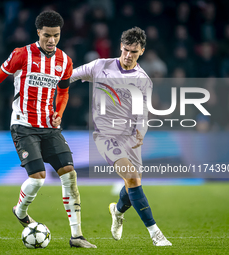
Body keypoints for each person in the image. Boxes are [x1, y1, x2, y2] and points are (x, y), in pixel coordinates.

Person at [0, 11, 96, 248]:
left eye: (56, 36)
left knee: (70, 174)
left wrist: (58, 113)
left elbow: (63, 91)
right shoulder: (22, 54)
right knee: (38, 178)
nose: (52, 40)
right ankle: (20, 211)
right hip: (23, 125)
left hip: (48, 127)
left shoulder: (65, 60)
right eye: (47, 36)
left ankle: (77, 236)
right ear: (38, 33)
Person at [70, 27, 172, 246]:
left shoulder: (143, 79)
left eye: (134, 52)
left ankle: (117, 211)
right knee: (133, 179)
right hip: (106, 135)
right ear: (120, 46)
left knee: (132, 183)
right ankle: (156, 234)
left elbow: (143, 113)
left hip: (131, 137)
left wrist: (141, 132)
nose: (128, 55)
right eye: (126, 49)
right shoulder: (100, 66)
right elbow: (69, 75)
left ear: (142, 51)